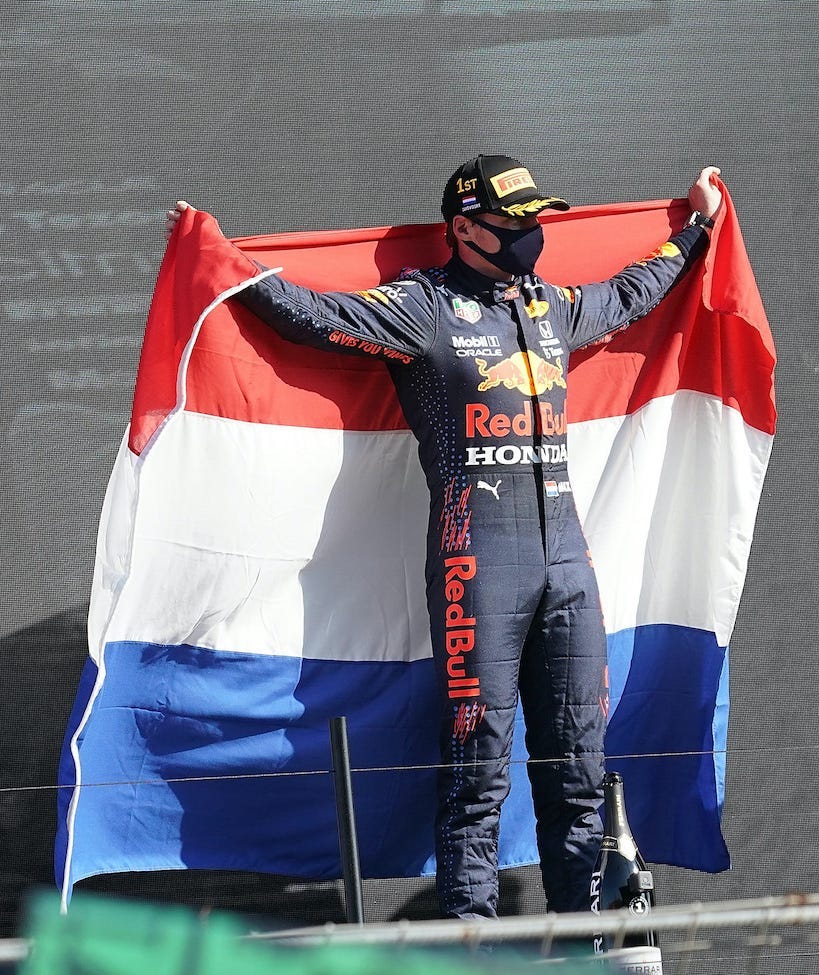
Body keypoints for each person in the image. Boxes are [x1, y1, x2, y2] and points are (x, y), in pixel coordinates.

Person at [165, 156, 722, 920]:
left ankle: (582, 943)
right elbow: (309, 311)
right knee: (477, 776)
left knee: (580, 773)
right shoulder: (422, 307)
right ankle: (474, 947)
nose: (531, 233)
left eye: (536, 219)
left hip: (569, 568)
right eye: (513, 221)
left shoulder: (552, 305)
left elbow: (633, 292)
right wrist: (218, 259)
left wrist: (698, 227)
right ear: (463, 228)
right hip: (477, 569)